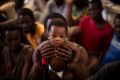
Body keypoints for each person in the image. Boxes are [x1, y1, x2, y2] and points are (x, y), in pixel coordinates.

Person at [70, 0, 113, 73]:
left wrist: (95, 56)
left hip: (93, 54)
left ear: (101, 9)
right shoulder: (85, 20)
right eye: (89, 10)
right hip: (80, 49)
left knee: (94, 63)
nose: (91, 12)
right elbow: (77, 35)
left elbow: (104, 51)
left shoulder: (109, 29)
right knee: (75, 30)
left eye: (94, 9)